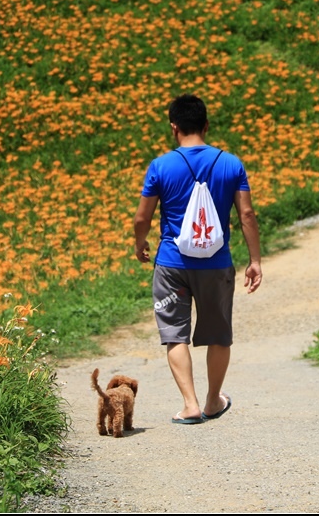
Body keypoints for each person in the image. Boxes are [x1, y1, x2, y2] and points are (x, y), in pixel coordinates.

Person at [134, 93, 262, 424]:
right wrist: (255, 260)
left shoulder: (161, 166)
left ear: (173, 127)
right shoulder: (231, 163)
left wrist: (140, 243)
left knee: (175, 333)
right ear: (206, 125)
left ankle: (190, 405)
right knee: (218, 334)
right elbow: (246, 214)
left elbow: (141, 218)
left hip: (172, 263)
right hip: (217, 264)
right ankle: (212, 400)